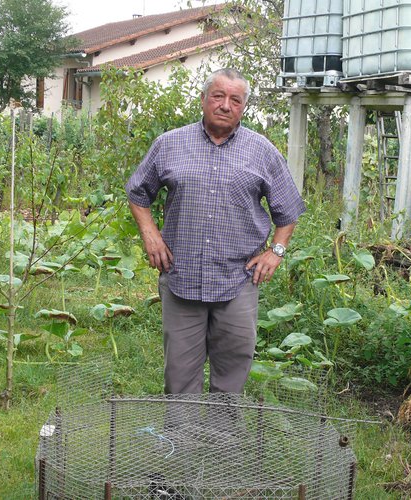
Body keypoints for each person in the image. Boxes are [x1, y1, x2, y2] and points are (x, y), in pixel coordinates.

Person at [125, 68, 305, 395]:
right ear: (204, 99)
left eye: (235, 100)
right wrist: (150, 234)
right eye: (218, 96)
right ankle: (181, 440)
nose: (225, 105)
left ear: (244, 108)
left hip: (238, 279)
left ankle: (223, 442)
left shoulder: (262, 151)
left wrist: (276, 252)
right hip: (182, 276)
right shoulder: (169, 144)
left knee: (233, 371)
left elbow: (288, 208)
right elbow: (138, 192)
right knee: (180, 375)